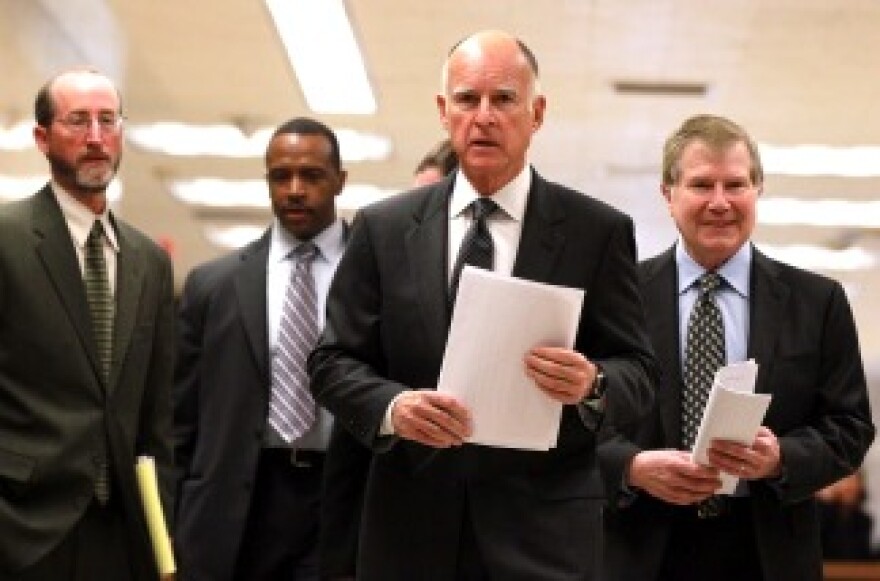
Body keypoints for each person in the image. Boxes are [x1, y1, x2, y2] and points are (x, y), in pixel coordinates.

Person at [309, 30, 655, 581]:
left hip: (544, 536)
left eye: (504, 99)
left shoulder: (597, 232)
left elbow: (639, 370)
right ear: (443, 112)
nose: (484, 117)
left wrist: (593, 383)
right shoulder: (383, 228)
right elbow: (332, 362)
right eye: (468, 99)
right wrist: (393, 408)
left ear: (537, 113)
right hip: (410, 530)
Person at [599, 114, 876, 581]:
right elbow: (575, 423)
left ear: (757, 190)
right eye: (701, 185)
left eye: (735, 185)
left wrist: (782, 457)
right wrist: (632, 466)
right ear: (668, 195)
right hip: (642, 550)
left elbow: (851, 428)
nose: (720, 202)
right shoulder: (618, 298)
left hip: (767, 551)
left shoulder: (817, 302)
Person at [0, 68, 175, 580]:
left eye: (108, 120)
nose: (96, 137)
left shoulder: (149, 260)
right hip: (21, 525)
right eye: (78, 121)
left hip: (122, 531)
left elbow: (156, 414)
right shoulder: (7, 241)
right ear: (42, 137)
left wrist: (163, 534)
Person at [173, 117, 354, 580]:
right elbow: (180, 422)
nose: (295, 190)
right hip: (239, 504)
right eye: (280, 176)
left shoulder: (376, 276)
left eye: (311, 176)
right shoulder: (214, 286)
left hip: (342, 500)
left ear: (339, 180)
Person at [817, 471, 875, 560]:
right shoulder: (823, 515)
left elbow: (863, 554)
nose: (849, 486)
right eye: (845, 482)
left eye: (854, 482)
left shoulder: (863, 520)